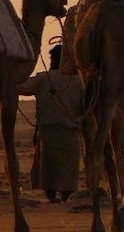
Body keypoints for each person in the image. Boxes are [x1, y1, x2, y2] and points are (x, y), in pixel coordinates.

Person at [19, 44, 84, 203]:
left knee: (48, 170)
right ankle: (65, 198)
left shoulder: (43, 79)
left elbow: (20, 87)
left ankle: (52, 199)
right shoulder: (78, 82)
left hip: (48, 133)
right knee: (67, 170)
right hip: (70, 133)